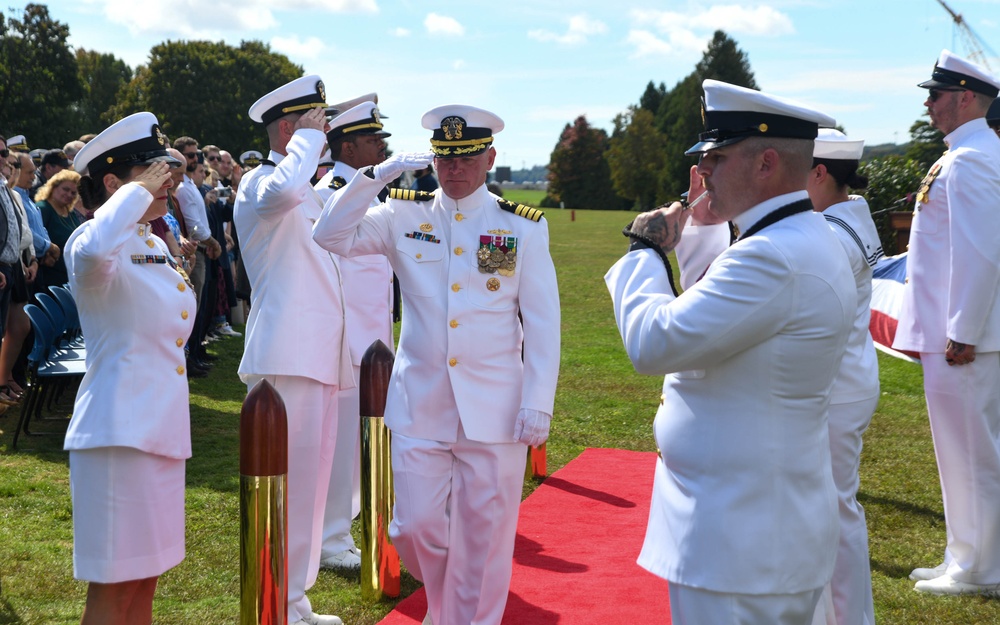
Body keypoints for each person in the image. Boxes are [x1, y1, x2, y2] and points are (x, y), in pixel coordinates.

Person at [605, 80, 855, 625]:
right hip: (752, 533)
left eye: (716, 157)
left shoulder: (772, 256)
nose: (704, 172)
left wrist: (644, 252)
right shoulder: (788, 240)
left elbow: (654, 342)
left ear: (766, 163)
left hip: (740, 544)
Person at [314, 104, 560, 625]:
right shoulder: (403, 214)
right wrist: (372, 178)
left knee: (486, 538)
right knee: (414, 527)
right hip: (420, 404)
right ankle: (450, 610)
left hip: (495, 409)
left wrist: (539, 401)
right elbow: (329, 236)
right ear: (433, 160)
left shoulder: (520, 228)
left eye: (467, 159)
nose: (454, 170)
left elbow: (542, 323)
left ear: (489, 158)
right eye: (445, 159)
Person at [62, 112, 192, 625]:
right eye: (151, 171)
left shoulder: (151, 242)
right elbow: (97, 246)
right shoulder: (91, 243)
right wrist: (137, 193)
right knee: (114, 590)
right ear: (113, 184)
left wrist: (141, 190)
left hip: (159, 432)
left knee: (145, 581)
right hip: (117, 437)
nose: (165, 182)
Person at [234, 74, 352, 625]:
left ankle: (293, 602)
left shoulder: (301, 185)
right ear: (288, 127)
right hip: (286, 357)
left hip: (316, 355)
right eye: (315, 123)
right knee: (286, 487)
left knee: (308, 486)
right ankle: (277, 602)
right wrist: (303, 143)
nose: (325, 133)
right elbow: (280, 192)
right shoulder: (261, 182)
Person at [894, 50, 1000, 597]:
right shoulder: (966, 153)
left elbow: (981, 251)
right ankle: (965, 556)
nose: (928, 103)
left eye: (935, 94)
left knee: (974, 453)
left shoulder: (973, 158)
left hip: (968, 339)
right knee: (959, 452)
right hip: (956, 335)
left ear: (964, 97)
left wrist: (965, 330)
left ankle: (982, 569)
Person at [313, 98, 395, 572]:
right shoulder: (334, 189)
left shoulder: (362, 190)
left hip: (370, 340)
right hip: (348, 342)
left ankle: (342, 528)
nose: (380, 148)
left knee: (362, 442)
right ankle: (331, 540)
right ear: (347, 145)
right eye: (372, 141)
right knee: (342, 445)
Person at [806, 129, 882, 625]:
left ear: (819, 174)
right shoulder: (848, 216)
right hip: (848, 379)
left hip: (837, 386)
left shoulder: (832, 231)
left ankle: (849, 617)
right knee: (833, 506)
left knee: (834, 510)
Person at [34, 169, 83, 291]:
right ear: (53, 187)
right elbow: (35, 239)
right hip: (49, 277)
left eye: (73, 193)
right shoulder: (43, 208)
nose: (69, 195)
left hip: (70, 274)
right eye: (65, 189)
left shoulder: (70, 212)